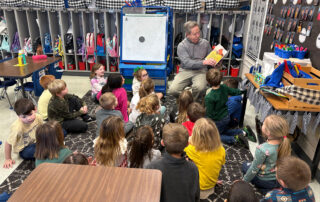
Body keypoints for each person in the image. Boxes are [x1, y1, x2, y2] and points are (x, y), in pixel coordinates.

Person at [146, 123, 200, 202]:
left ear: (162, 143)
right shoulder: (193, 169)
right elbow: (196, 196)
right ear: (187, 144)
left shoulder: (152, 167)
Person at [242, 115, 292, 194]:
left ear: (268, 132)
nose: (262, 124)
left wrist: (243, 182)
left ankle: (265, 189)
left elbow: (254, 169)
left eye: (263, 123)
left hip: (264, 180)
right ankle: (271, 189)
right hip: (278, 180)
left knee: (245, 165)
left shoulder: (262, 149)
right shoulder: (285, 144)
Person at [168, 21, 216, 102]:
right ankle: (186, 101)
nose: (198, 35)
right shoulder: (181, 46)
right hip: (185, 70)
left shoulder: (205, 43)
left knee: (200, 88)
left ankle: (193, 105)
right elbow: (187, 63)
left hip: (200, 71)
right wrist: (203, 62)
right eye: (195, 34)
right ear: (187, 35)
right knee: (173, 90)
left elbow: (210, 58)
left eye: (198, 32)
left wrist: (215, 60)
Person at [205, 69, 252, 147]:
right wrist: (243, 91)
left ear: (208, 81)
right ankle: (242, 132)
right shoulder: (224, 87)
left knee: (214, 136)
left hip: (218, 120)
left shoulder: (209, 97)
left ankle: (234, 139)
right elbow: (235, 92)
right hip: (226, 117)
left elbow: (210, 114)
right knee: (223, 131)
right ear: (221, 79)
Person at [185, 118, 225, 199]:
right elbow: (218, 165)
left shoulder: (192, 150)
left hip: (199, 189)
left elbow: (181, 148)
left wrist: (189, 140)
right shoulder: (221, 149)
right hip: (211, 184)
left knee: (181, 161)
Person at [3, 98, 43, 168]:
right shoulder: (17, 128)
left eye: (30, 114)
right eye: (24, 117)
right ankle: (46, 152)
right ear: (18, 116)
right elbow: (8, 143)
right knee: (32, 151)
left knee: (58, 132)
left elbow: (42, 131)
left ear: (35, 109)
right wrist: (8, 159)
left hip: (37, 142)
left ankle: (45, 151)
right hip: (25, 149)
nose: (28, 118)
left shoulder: (38, 117)